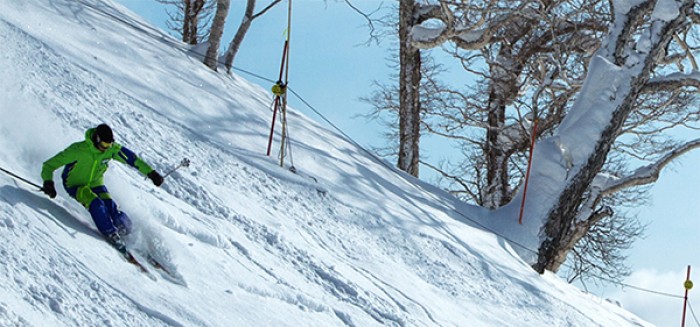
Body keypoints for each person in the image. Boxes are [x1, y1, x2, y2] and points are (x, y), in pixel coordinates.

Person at [40, 123, 164, 254]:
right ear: (96, 139)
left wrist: (151, 173)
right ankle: (111, 233)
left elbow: (133, 160)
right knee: (97, 204)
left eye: (108, 146)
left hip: (96, 183)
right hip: (75, 185)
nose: (105, 149)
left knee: (112, 209)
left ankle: (128, 232)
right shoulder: (77, 150)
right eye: (104, 146)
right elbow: (48, 165)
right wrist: (48, 182)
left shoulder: (112, 149)